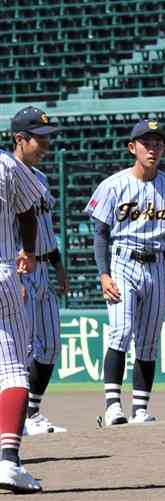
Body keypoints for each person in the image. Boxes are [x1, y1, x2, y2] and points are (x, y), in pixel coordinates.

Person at [85, 119, 165, 425]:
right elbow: (101, 233)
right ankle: (113, 406)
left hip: (157, 264)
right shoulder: (113, 185)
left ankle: (141, 409)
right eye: (146, 143)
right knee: (121, 331)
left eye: (158, 143)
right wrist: (104, 274)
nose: (153, 149)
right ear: (133, 147)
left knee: (148, 340)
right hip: (122, 261)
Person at [10, 107, 69, 436]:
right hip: (19, 270)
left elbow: (46, 226)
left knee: (49, 347)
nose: (46, 146)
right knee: (21, 349)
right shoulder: (6, 176)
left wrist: (58, 264)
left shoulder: (42, 178)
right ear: (20, 139)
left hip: (44, 266)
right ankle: (16, 420)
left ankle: (32, 414)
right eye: (40, 140)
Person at [0, 115, 50, 492]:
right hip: (1, 274)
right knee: (14, 369)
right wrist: (29, 253)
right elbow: (30, 210)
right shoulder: (8, 166)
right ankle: (8, 462)